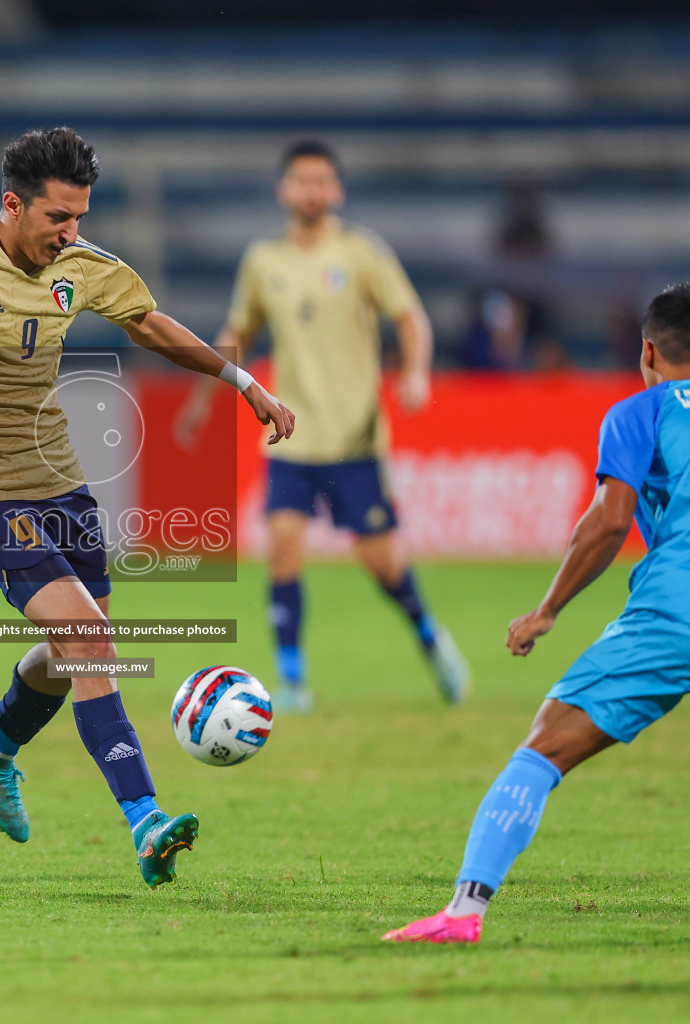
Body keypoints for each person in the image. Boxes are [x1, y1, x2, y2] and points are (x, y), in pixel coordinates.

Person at [0, 127, 294, 888]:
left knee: (80, 649)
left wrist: (241, 381)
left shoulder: (80, 267)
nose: (71, 233)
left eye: (80, 217)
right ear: (12, 205)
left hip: (59, 478)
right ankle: (145, 820)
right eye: (58, 217)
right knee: (88, 636)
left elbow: (147, 323)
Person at [383, 282, 690, 944]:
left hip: (678, 616)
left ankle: (464, 911)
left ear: (648, 352)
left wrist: (548, 609)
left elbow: (609, 522)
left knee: (545, 749)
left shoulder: (641, 412)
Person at [175, 140, 469, 712]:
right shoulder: (264, 261)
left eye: (322, 181)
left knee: (381, 563)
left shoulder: (360, 254)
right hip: (292, 435)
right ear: (284, 190)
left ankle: (430, 637)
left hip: (353, 438)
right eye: (302, 181)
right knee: (282, 544)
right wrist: (201, 398)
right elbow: (239, 330)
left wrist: (415, 374)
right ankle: (292, 681)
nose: (312, 191)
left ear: (336, 191)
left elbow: (410, 317)